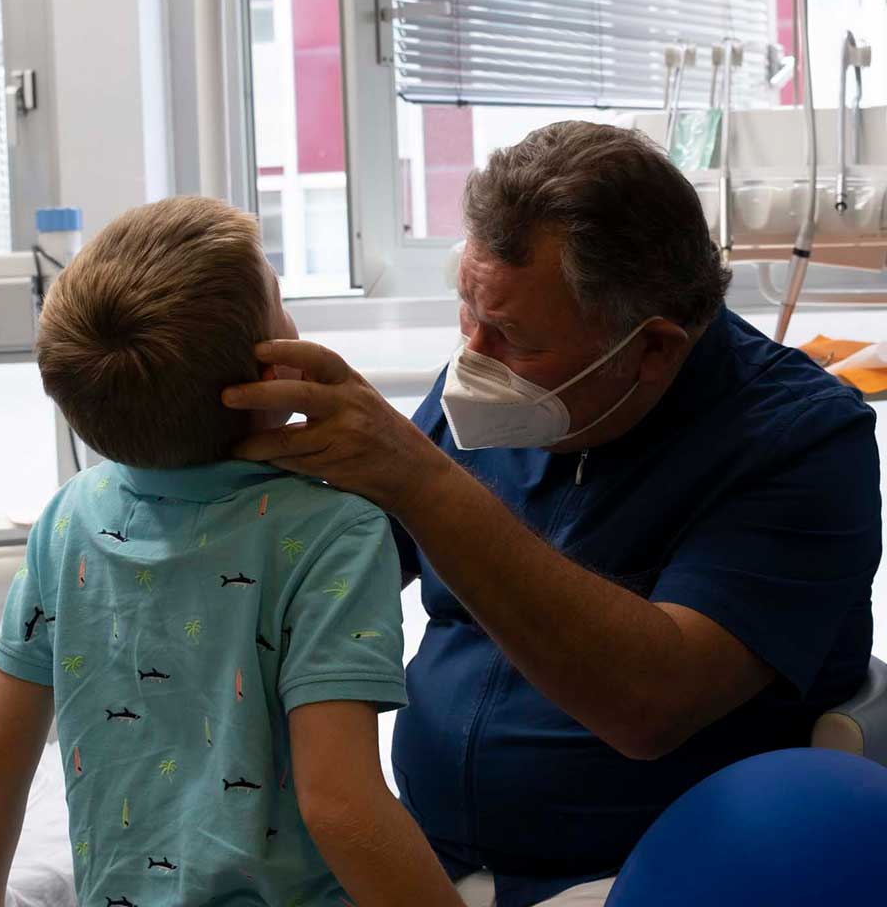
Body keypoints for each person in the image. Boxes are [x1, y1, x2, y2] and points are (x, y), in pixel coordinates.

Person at [222, 122, 883, 907]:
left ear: (653, 350)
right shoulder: (498, 389)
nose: (473, 356)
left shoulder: (801, 444)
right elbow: (335, 564)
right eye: (467, 309)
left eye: (511, 337)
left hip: (646, 874)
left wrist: (425, 482)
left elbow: (649, 704)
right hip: (421, 861)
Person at [0, 197, 464, 907]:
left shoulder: (69, 517)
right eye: (281, 305)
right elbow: (341, 804)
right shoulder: (332, 531)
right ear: (264, 375)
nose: (291, 321)